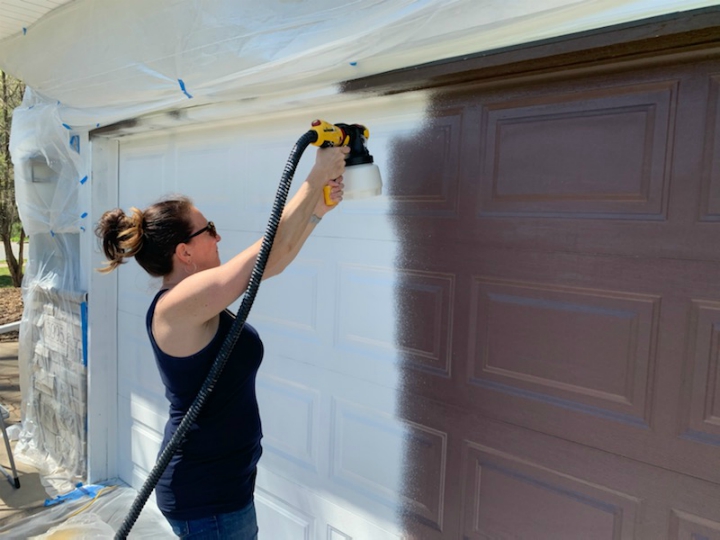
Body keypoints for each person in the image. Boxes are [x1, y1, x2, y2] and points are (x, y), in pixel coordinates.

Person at [95, 146, 348, 539]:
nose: (218, 235)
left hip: (223, 486)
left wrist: (317, 210)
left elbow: (275, 260)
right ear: (185, 252)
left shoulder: (199, 303)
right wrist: (315, 177)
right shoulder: (174, 307)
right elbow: (268, 255)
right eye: (208, 228)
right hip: (206, 495)